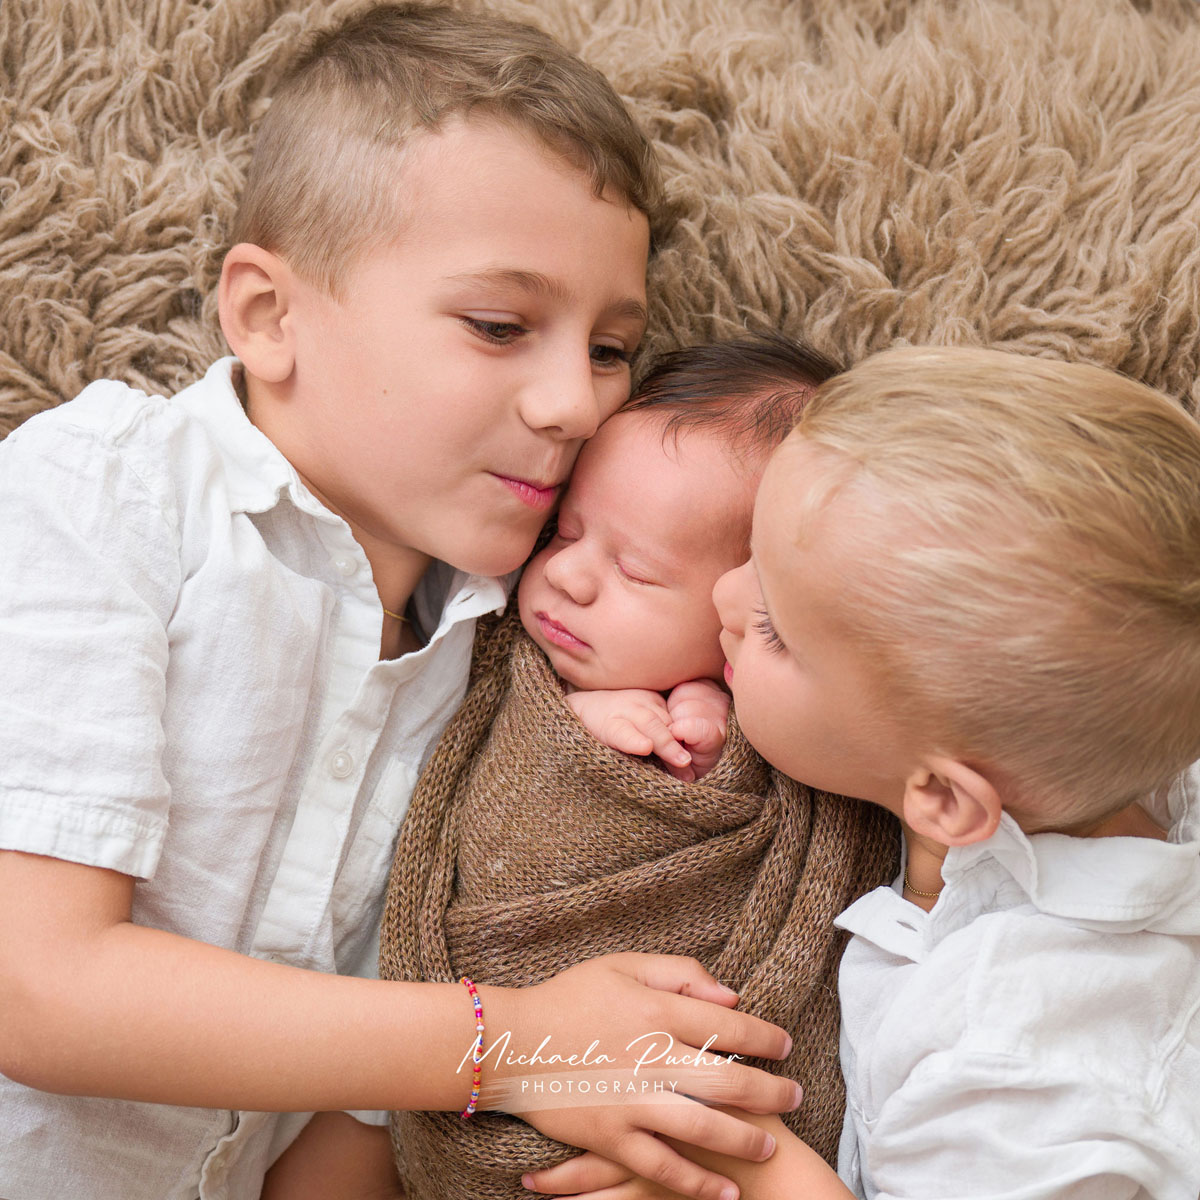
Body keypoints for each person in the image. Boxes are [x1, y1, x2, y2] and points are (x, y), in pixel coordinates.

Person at [0, 9, 803, 1200]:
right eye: (499, 325)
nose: (575, 405)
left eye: (611, 347)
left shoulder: (514, 631)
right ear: (271, 318)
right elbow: (37, 988)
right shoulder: (109, 492)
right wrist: (521, 1045)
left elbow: (374, 1068)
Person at [527, 344, 1200, 1200]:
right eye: (750, 558)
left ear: (945, 798)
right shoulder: (1109, 763)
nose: (724, 602)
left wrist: (741, 1156)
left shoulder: (1012, 1066)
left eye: (773, 629)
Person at [314, 337, 895, 1200]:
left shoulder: (797, 735)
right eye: (566, 530)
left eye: (635, 569)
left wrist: (721, 728)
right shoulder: (505, 660)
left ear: (756, 603)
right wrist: (576, 731)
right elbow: (490, 822)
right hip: (512, 1068)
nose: (567, 577)